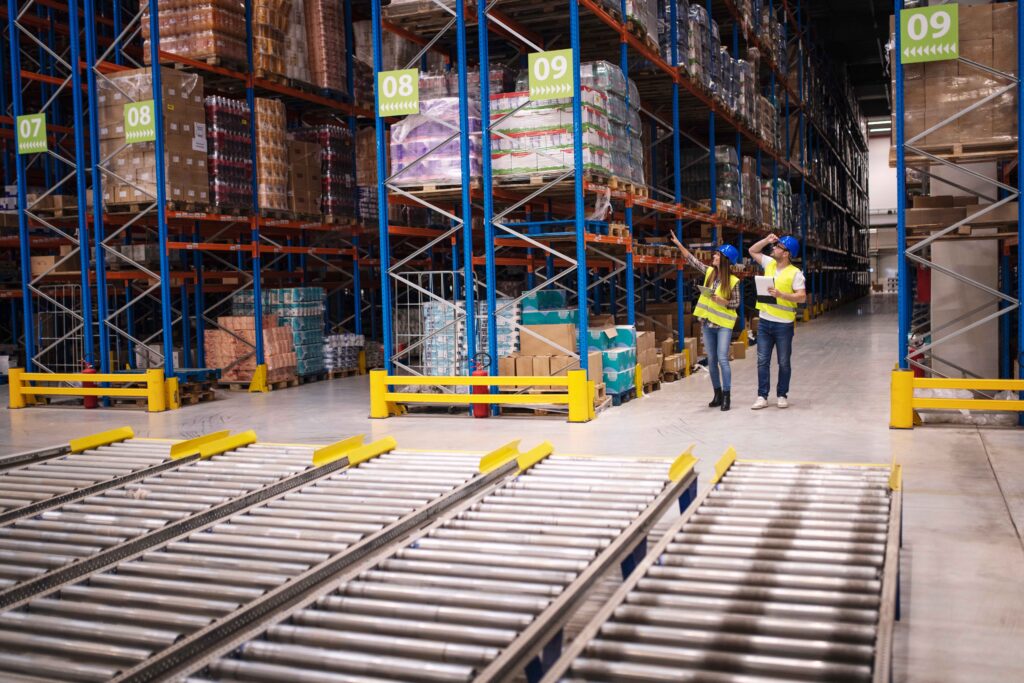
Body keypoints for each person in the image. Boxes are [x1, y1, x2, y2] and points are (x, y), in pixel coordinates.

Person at [669, 233, 741, 411]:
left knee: (723, 359)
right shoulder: (709, 272)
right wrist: (679, 243)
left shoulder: (733, 281)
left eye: (717, 255)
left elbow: (736, 303)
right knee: (712, 359)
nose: (714, 256)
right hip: (708, 324)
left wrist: (722, 301)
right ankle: (716, 394)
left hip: (723, 325)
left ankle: (726, 396)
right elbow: (692, 260)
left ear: (725, 260)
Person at [748, 233, 806, 409]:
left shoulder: (795, 273)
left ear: (786, 253)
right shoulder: (769, 264)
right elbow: (752, 250)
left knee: (783, 362)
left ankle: (782, 394)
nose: (774, 248)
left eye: (778, 246)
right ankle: (762, 396)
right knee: (762, 361)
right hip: (765, 322)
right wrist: (766, 240)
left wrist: (782, 295)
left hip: (783, 324)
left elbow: (802, 297)